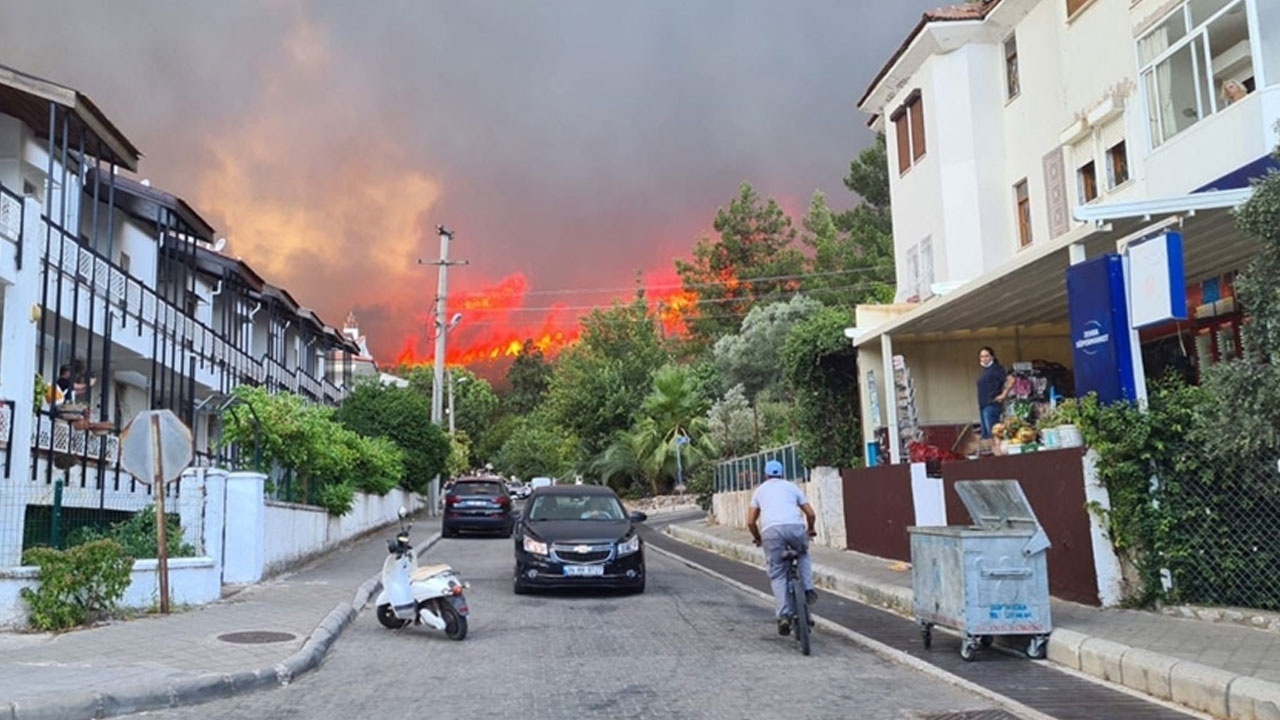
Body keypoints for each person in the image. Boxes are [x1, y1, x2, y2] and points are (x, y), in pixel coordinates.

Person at [747, 460, 817, 637]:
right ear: (782, 473)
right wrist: (810, 529)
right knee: (802, 555)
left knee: (777, 573)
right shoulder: (792, 487)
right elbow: (810, 513)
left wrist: (757, 538)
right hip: (795, 528)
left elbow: (750, 521)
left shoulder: (760, 490)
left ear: (766, 475)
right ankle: (809, 590)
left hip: (771, 533)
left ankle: (784, 615)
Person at [975, 347, 1009, 451]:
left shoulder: (997, 369)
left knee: (994, 433)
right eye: (982, 356)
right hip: (983, 405)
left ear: (992, 357)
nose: (984, 359)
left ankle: (999, 455)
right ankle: (994, 454)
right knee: (988, 435)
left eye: (986, 356)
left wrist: (1003, 395)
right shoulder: (985, 371)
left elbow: (1011, 380)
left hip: (992, 405)